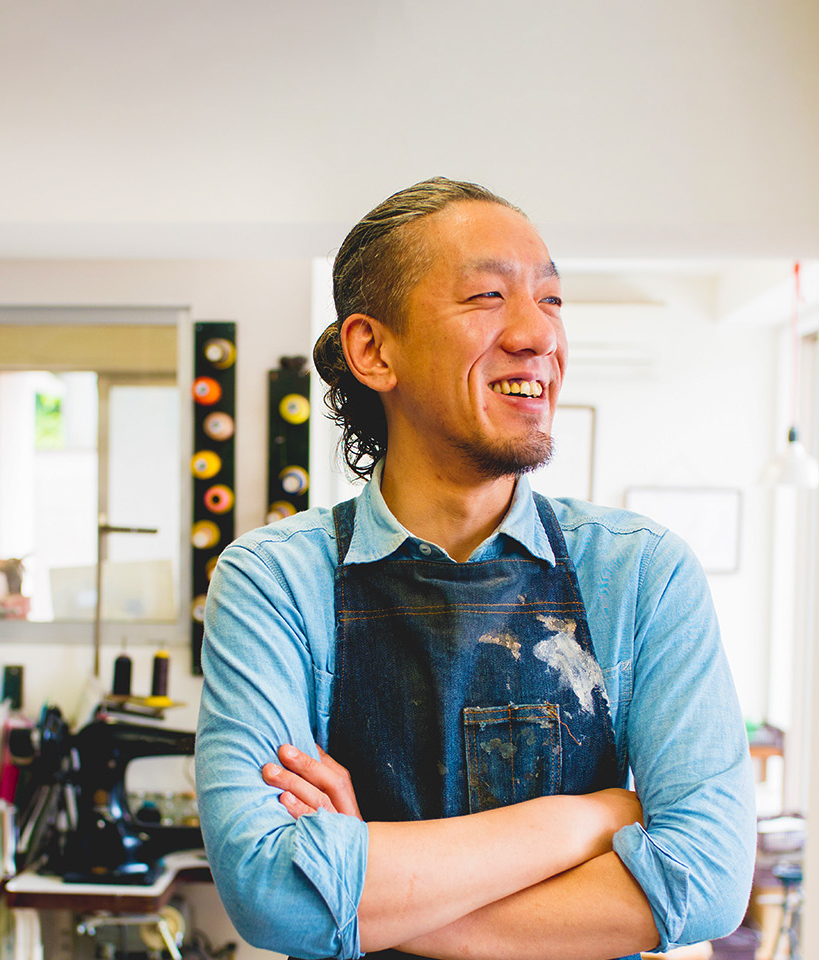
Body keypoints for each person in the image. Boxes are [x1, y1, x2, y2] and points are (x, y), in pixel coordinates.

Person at [195, 178, 754, 960]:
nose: (538, 335)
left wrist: (367, 885)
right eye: (488, 295)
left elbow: (706, 880)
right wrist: (588, 821)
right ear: (373, 350)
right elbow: (272, 895)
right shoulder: (274, 582)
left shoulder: (640, 572)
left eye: (553, 300)